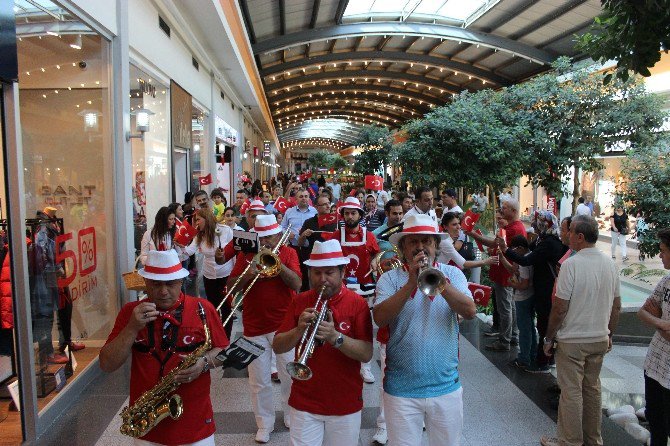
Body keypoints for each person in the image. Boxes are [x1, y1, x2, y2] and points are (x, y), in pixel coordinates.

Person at [99, 250, 229, 446]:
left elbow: (224, 352)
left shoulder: (203, 308)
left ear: (181, 282)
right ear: (145, 283)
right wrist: (132, 328)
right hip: (147, 424)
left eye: (170, 283)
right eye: (156, 284)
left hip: (195, 423)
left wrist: (203, 364)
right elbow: (107, 364)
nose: (163, 291)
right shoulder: (130, 313)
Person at [373, 214, 476, 446]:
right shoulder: (389, 280)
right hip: (401, 391)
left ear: (436, 246)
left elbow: (470, 311)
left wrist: (439, 282)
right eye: (413, 242)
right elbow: (380, 318)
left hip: (446, 388)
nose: (420, 247)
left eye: (426, 241)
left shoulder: (452, 275)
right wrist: (410, 283)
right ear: (403, 247)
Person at [273, 240, 373, 445]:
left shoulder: (357, 303)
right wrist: (299, 329)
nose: (323, 279)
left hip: (345, 403)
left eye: (329, 273)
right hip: (304, 402)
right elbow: (278, 345)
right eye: (317, 273)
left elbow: (366, 353)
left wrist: (335, 337)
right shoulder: (299, 301)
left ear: (342, 273)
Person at [539, 215, 621, 446]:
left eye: (571, 231)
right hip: (598, 339)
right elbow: (616, 306)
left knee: (571, 391)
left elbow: (560, 308)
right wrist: (610, 333)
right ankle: (593, 440)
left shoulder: (571, 265)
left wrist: (549, 337)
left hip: (573, 341)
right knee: (592, 389)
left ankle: (570, 441)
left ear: (580, 237)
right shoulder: (610, 265)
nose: (567, 235)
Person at [228, 214, 302, 443]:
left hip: (285, 326)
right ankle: (264, 423)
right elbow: (231, 287)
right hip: (253, 326)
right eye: (263, 238)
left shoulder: (289, 253)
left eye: (271, 236)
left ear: (279, 235)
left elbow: (298, 284)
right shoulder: (245, 256)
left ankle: (291, 414)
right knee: (258, 380)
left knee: (289, 375)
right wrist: (249, 272)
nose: (267, 242)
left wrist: (277, 265)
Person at [498, 210, 567, 371]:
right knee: (540, 324)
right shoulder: (543, 240)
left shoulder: (550, 243)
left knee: (544, 325)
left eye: (536, 223)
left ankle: (543, 361)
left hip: (546, 288)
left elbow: (526, 259)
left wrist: (506, 250)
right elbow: (526, 250)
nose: (533, 226)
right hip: (541, 288)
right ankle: (543, 358)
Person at [323, 196, 380, 385]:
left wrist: (375, 259)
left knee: (363, 327)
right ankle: (341, 360)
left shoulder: (369, 236)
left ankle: (366, 367)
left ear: (360, 214)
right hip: (342, 289)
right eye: (346, 213)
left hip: (364, 287)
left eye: (353, 212)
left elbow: (378, 253)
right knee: (339, 323)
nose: (349, 216)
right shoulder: (336, 236)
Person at [468, 198, 526, 351]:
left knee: (505, 308)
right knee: (510, 306)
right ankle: (513, 335)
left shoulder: (514, 229)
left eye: (505, 208)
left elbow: (494, 245)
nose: (501, 210)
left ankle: (505, 341)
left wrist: (473, 234)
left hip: (504, 274)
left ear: (513, 211)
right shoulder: (514, 226)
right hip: (505, 273)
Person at [177, 209, 234, 339]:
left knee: (226, 308)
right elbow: (189, 251)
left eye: (198, 219)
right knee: (212, 307)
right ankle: (215, 337)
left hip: (226, 274)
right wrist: (180, 246)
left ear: (206, 219)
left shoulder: (225, 230)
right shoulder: (199, 235)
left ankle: (226, 338)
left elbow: (234, 253)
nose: (196, 223)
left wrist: (235, 274)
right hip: (209, 275)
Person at [637, 228, 670, 446]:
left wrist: (657, 319)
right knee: (656, 423)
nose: (660, 255)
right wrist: (662, 323)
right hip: (655, 365)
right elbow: (642, 311)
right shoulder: (666, 282)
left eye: (663, 251)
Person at [498, 235, 535, 369]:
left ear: (520, 248)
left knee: (525, 329)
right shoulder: (528, 256)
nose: (513, 254)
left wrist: (513, 285)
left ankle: (524, 358)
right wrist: (502, 258)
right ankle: (532, 355)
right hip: (527, 297)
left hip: (524, 297)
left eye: (514, 250)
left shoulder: (525, 261)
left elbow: (524, 284)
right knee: (529, 328)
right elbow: (514, 270)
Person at [297, 194, 337, 291]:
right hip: (314, 262)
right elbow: (300, 243)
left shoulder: (335, 221)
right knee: (314, 289)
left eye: (329, 203)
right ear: (316, 207)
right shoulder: (309, 222)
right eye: (324, 204)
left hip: (332, 261)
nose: (328, 206)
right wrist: (303, 235)